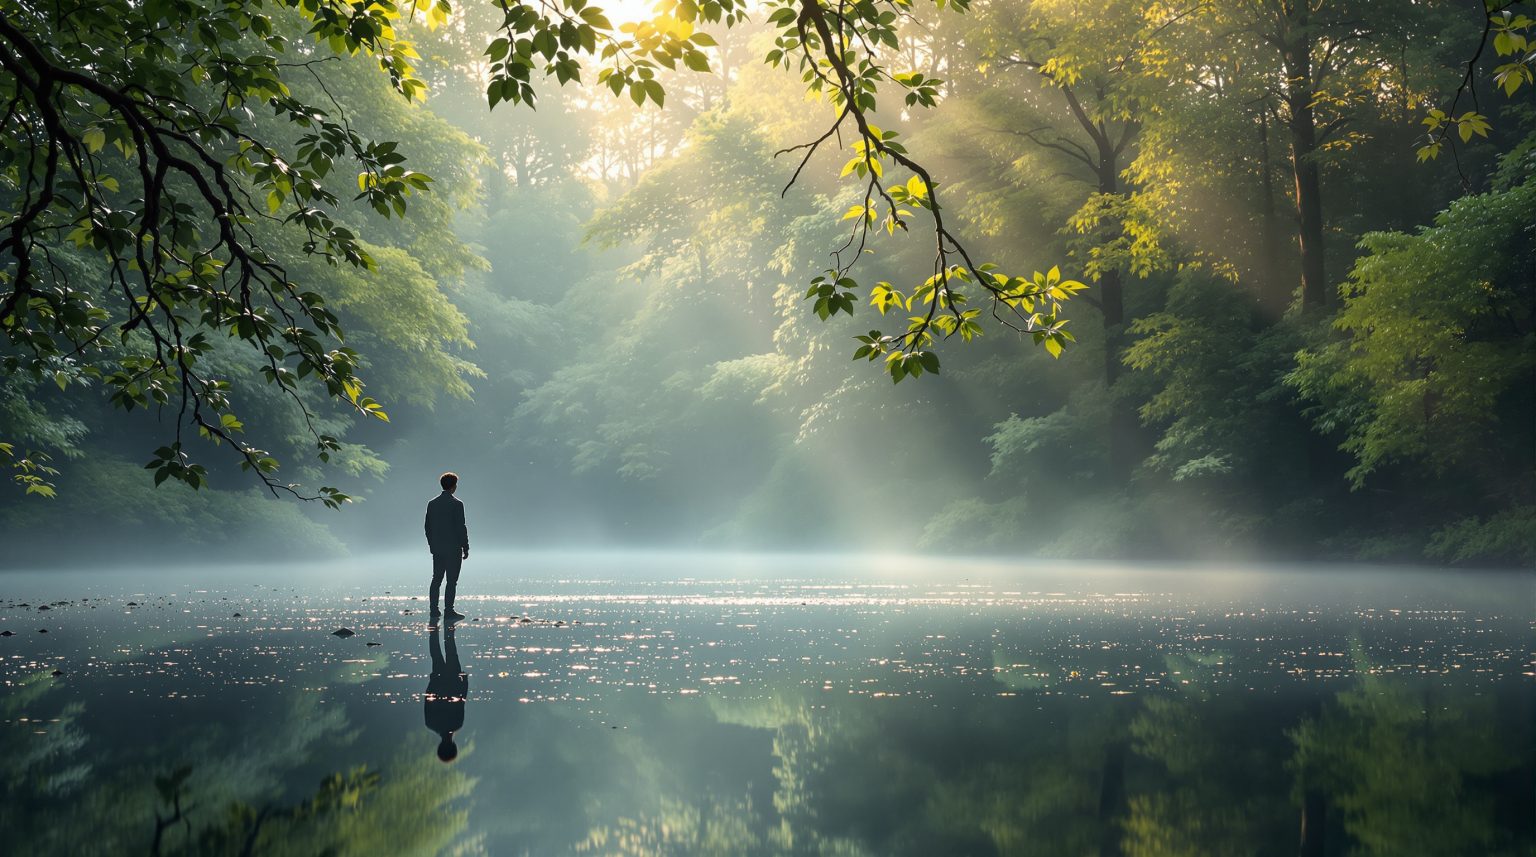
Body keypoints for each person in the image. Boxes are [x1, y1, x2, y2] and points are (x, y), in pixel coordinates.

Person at [424, 471, 469, 621]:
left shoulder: (432, 503)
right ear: (454, 486)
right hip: (453, 548)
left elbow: (427, 527)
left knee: (436, 579)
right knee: (451, 581)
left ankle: (434, 611)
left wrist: (431, 544)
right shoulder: (457, 504)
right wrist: (466, 546)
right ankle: (449, 611)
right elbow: (460, 527)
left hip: (437, 548)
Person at [424, 624, 468, 762]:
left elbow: (461, 699)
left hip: (453, 682)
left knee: (451, 652)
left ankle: (448, 628)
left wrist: (464, 682)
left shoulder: (457, 724)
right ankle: (434, 630)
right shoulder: (430, 724)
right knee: (436, 654)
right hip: (438, 683)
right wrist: (431, 682)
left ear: (454, 746)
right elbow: (428, 700)